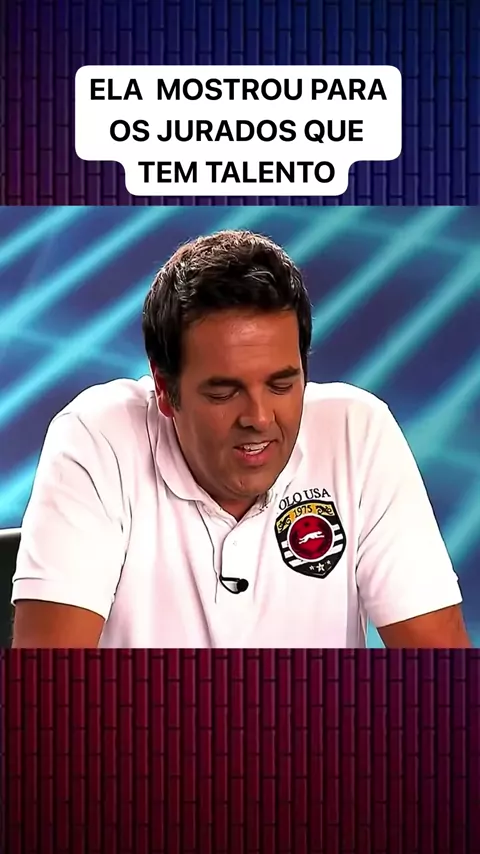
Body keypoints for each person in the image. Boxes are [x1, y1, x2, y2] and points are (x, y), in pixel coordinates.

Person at [11, 229, 470, 649]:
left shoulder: (359, 433)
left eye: (281, 385)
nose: (259, 418)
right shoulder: (94, 438)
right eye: (224, 392)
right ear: (165, 390)